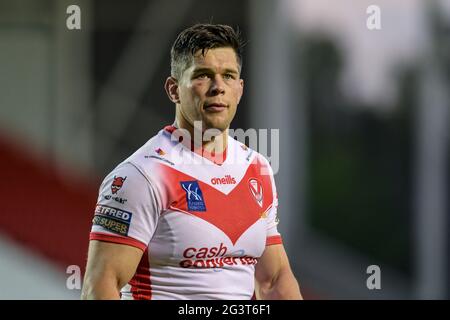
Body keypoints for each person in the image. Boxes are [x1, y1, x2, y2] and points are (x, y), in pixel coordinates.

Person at [81, 23, 302, 300]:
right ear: (174, 90)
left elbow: (273, 280)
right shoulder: (142, 175)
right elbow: (100, 286)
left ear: (240, 89)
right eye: (203, 76)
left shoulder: (257, 168)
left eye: (229, 76)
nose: (218, 87)